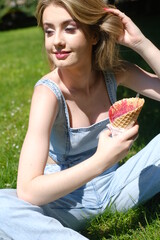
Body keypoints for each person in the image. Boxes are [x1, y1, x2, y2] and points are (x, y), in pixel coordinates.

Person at [0, 0, 160, 239]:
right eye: (49, 30)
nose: (57, 41)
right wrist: (102, 160)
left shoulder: (115, 73)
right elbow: (28, 190)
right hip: (64, 202)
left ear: (93, 35)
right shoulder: (48, 93)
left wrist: (141, 43)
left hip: (117, 186)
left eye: (69, 28)